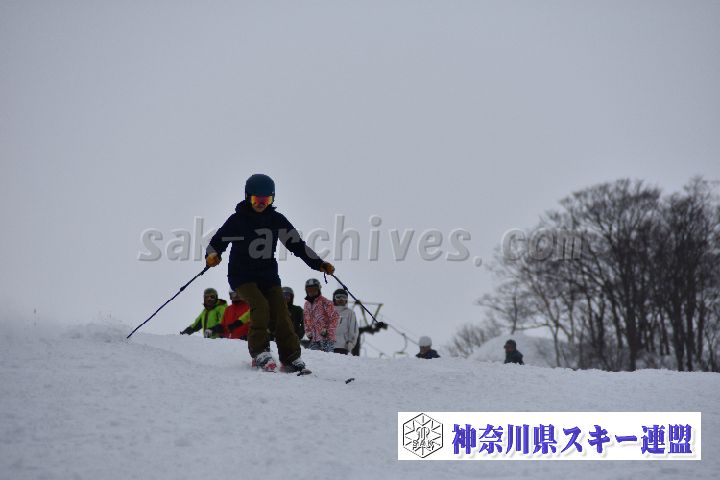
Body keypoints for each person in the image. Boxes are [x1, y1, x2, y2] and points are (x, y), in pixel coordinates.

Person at [204, 173, 335, 372]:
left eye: (266, 200)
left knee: (282, 313)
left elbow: (297, 245)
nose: (261, 204)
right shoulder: (238, 220)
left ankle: (290, 358)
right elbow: (216, 242)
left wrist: (318, 263)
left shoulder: (276, 220)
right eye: (256, 199)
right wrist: (212, 255)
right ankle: (260, 352)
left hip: (268, 276)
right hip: (242, 276)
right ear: (248, 197)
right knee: (261, 305)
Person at [304, 278, 339, 352]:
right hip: (314, 339)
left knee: (327, 357)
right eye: (309, 290)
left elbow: (335, 317)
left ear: (318, 289)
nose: (312, 292)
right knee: (315, 357)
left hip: (327, 338)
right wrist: (308, 331)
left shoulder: (326, 302)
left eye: (314, 289)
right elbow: (306, 320)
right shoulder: (307, 304)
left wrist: (328, 331)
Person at [332, 289, 358, 354]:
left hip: (342, 347)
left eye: (344, 297)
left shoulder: (350, 313)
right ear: (334, 299)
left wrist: (351, 342)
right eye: (338, 297)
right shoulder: (328, 312)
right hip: (328, 346)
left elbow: (353, 329)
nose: (341, 299)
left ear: (346, 300)